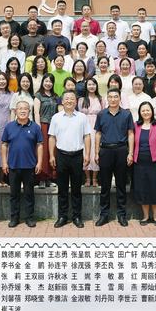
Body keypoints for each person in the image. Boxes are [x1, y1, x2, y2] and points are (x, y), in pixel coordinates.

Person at [49, 90, 92, 228]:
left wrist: (87, 154)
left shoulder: (82, 117)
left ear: (76, 101)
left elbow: (87, 136)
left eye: (72, 99)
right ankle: (62, 216)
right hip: (61, 155)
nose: (69, 101)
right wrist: (51, 155)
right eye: (66, 98)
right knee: (62, 188)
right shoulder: (56, 117)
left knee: (76, 189)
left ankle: (77, 216)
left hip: (77, 156)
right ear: (62, 101)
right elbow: (52, 137)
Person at [94, 88, 134, 227]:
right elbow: (98, 134)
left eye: (115, 96)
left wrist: (130, 153)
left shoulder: (126, 114)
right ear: (107, 98)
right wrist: (96, 152)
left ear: (120, 98)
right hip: (105, 151)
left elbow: (130, 134)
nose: (113, 99)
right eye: (110, 97)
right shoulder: (101, 114)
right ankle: (104, 215)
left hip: (121, 150)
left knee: (121, 185)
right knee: (105, 185)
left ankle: (122, 215)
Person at [1, 101, 44, 228]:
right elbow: (4, 145)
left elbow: (40, 145)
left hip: (29, 166)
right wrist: (4, 162)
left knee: (29, 194)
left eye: (25, 109)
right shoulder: (9, 127)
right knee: (14, 194)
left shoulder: (35, 127)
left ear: (29, 111)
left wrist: (39, 162)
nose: (23, 111)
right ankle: (14, 218)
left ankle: (29, 218)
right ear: (15, 111)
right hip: (13, 166)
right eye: (20, 108)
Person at [132, 101, 156, 225]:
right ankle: (145, 217)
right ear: (140, 112)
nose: (145, 112)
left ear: (152, 111)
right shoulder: (135, 125)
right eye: (143, 110)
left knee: (155, 188)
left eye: (148, 110)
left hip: (154, 162)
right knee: (143, 189)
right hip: (139, 162)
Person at [34, 74, 61, 188]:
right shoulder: (38, 95)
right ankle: (41, 178)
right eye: (46, 81)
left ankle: (50, 177)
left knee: (52, 151)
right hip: (43, 125)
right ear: (42, 82)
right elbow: (36, 112)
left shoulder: (55, 96)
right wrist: (38, 127)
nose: (48, 84)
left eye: (50, 82)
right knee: (43, 151)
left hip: (54, 126)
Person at [77, 78, 106, 187]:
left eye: (93, 84)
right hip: (84, 126)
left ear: (96, 86)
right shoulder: (81, 100)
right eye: (89, 84)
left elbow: (104, 113)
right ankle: (87, 178)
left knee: (95, 150)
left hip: (97, 126)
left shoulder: (101, 99)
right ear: (86, 86)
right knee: (85, 151)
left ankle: (94, 178)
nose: (91, 86)